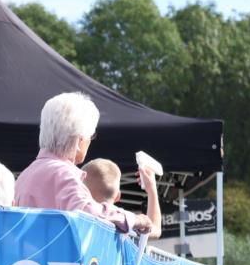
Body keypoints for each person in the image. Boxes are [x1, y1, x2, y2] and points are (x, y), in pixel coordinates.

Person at [15, 93, 156, 234]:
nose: (90, 141)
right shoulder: (63, 175)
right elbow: (89, 212)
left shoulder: (24, 176)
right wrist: (133, 219)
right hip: (57, 255)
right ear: (79, 140)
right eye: (91, 136)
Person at [82, 158, 163, 238]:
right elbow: (155, 230)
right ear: (118, 196)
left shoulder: (74, 214)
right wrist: (151, 189)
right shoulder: (124, 222)